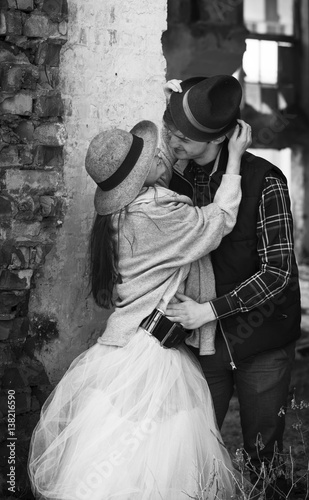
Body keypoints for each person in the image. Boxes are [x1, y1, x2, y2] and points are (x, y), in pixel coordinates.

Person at [28, 118, 252, 500]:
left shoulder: (121, 216)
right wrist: (234, 159)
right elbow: (217, 222)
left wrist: (173, 166)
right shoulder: (156, 215)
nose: (159, 153)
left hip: (125, 345)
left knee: (118, 455)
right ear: (138, 179)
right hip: (152, 352)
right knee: (157, 457)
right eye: (149, 157)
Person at [163, 75, 302, 499]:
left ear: (221, 136)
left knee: (264, 454)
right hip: (200, 342)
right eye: (171, 131)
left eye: (184, 137)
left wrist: (211, 310)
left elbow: (278, 274)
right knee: (194, 449)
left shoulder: (266, 181)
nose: (174, 141)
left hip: (262, 338)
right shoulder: (175, 180)